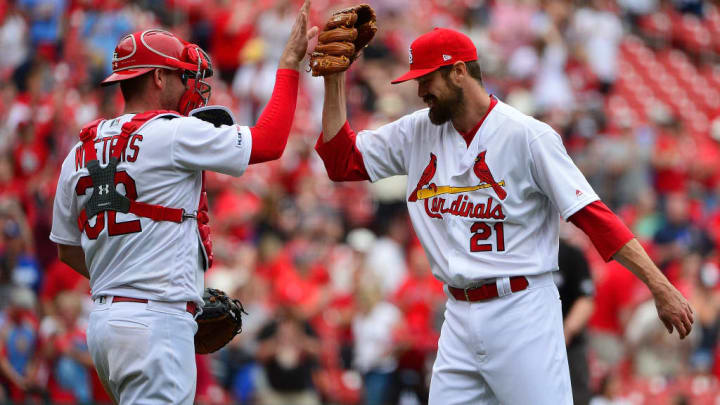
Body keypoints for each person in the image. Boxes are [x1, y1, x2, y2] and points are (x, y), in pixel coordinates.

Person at [314, 27, 693, 404]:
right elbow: (340, 161)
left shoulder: (527, 136)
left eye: (428, 79)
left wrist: (659, 286)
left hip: (521, 310)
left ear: (459, 72)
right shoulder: (418, 131)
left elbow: (593, 215)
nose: (420, 91)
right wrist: (335, 81)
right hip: (458, 315)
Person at [48, 1, 318, 403]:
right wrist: (290, 62)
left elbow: (67, 249)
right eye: (180, 74)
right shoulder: (171, 133)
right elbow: (271, 140)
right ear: (158, 77)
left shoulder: (80, 149)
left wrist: (124, 279)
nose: (190, 84)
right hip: (155, 322)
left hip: (105, 324)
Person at [556, 237, 595, 405]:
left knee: (576, 397)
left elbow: (586, 300)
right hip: (531, 343)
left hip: (569, 346)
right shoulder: (523, 251)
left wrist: (566, 332)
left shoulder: (571, 253)